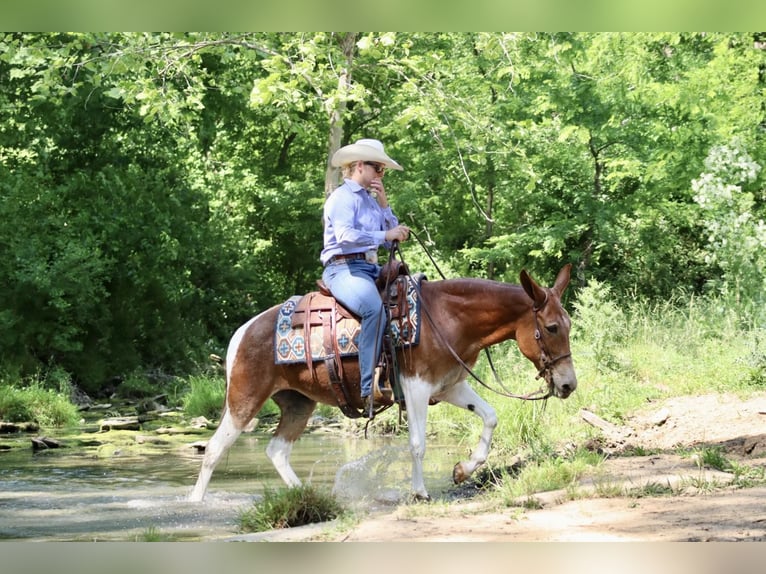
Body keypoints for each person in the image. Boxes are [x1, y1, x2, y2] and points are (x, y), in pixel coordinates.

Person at [320, 138, 410, 415]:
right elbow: (345, 237)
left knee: (413, 300)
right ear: (359, 166)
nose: (381, 175)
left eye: (382, 170)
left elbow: (390, 241)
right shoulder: (341, 199)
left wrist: (384, 206)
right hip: (342, 268)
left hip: (370, 268)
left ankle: (402, 381)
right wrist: (385, 233)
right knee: (374, 309)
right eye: (378, 169)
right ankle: (367, 387)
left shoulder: (370, 202)